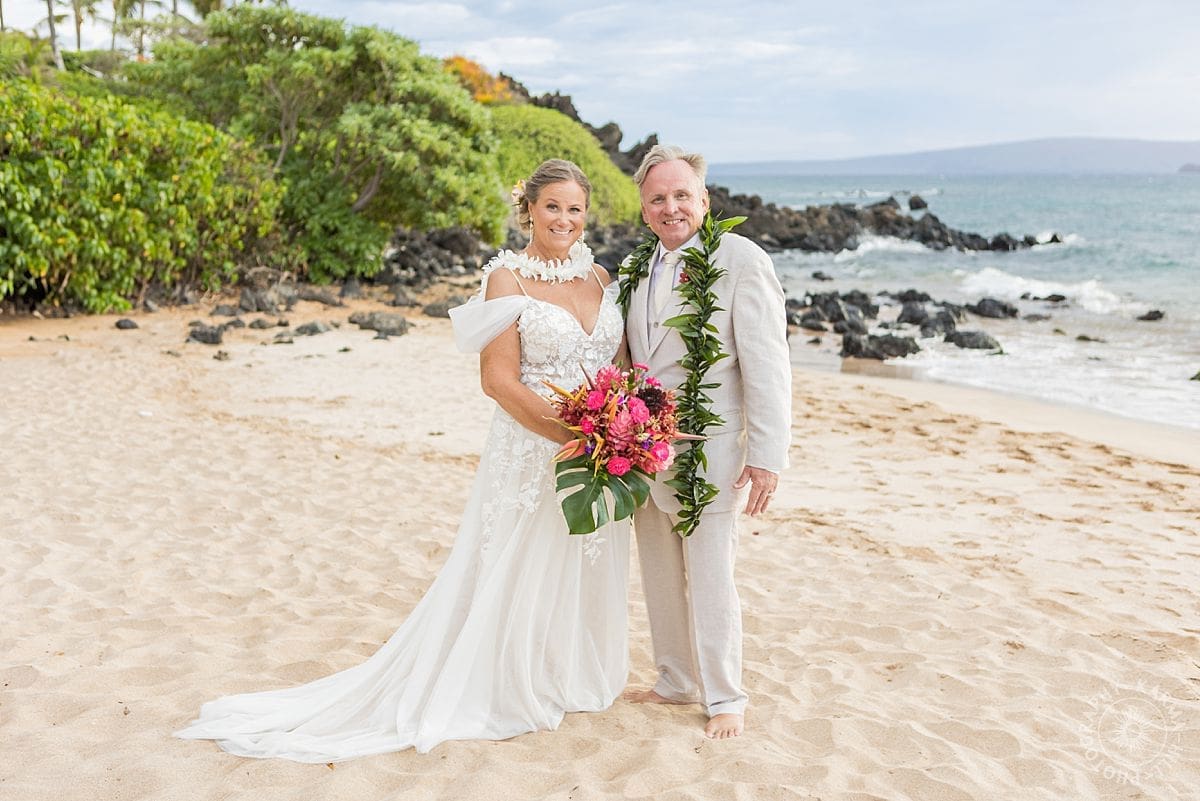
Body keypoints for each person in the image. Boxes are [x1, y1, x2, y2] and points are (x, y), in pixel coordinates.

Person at [175, 159, 631, 761]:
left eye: (575, 209)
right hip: (533, 447)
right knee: (517, 562)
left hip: (600, 449)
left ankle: (563, 673)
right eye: (552, 207)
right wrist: (572, 433)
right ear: (529, 209)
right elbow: (497, 382)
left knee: (579, 557)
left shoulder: (601, 276)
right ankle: (506, 678)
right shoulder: (506, 281)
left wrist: (622, 429)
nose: (564, 220)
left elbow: (620, 366)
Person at [621, 145, 791, 739]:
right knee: (659, 573)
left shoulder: (741, 260)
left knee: (713, 578)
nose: (672, 207)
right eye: (659, 198)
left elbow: (769, 363)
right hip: (643, 451)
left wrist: (767, 455)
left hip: (710, 453)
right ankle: (674, 680)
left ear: (704, 201)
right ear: (644, 209)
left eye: (682, 195)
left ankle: (725, 696)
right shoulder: (635, 269)